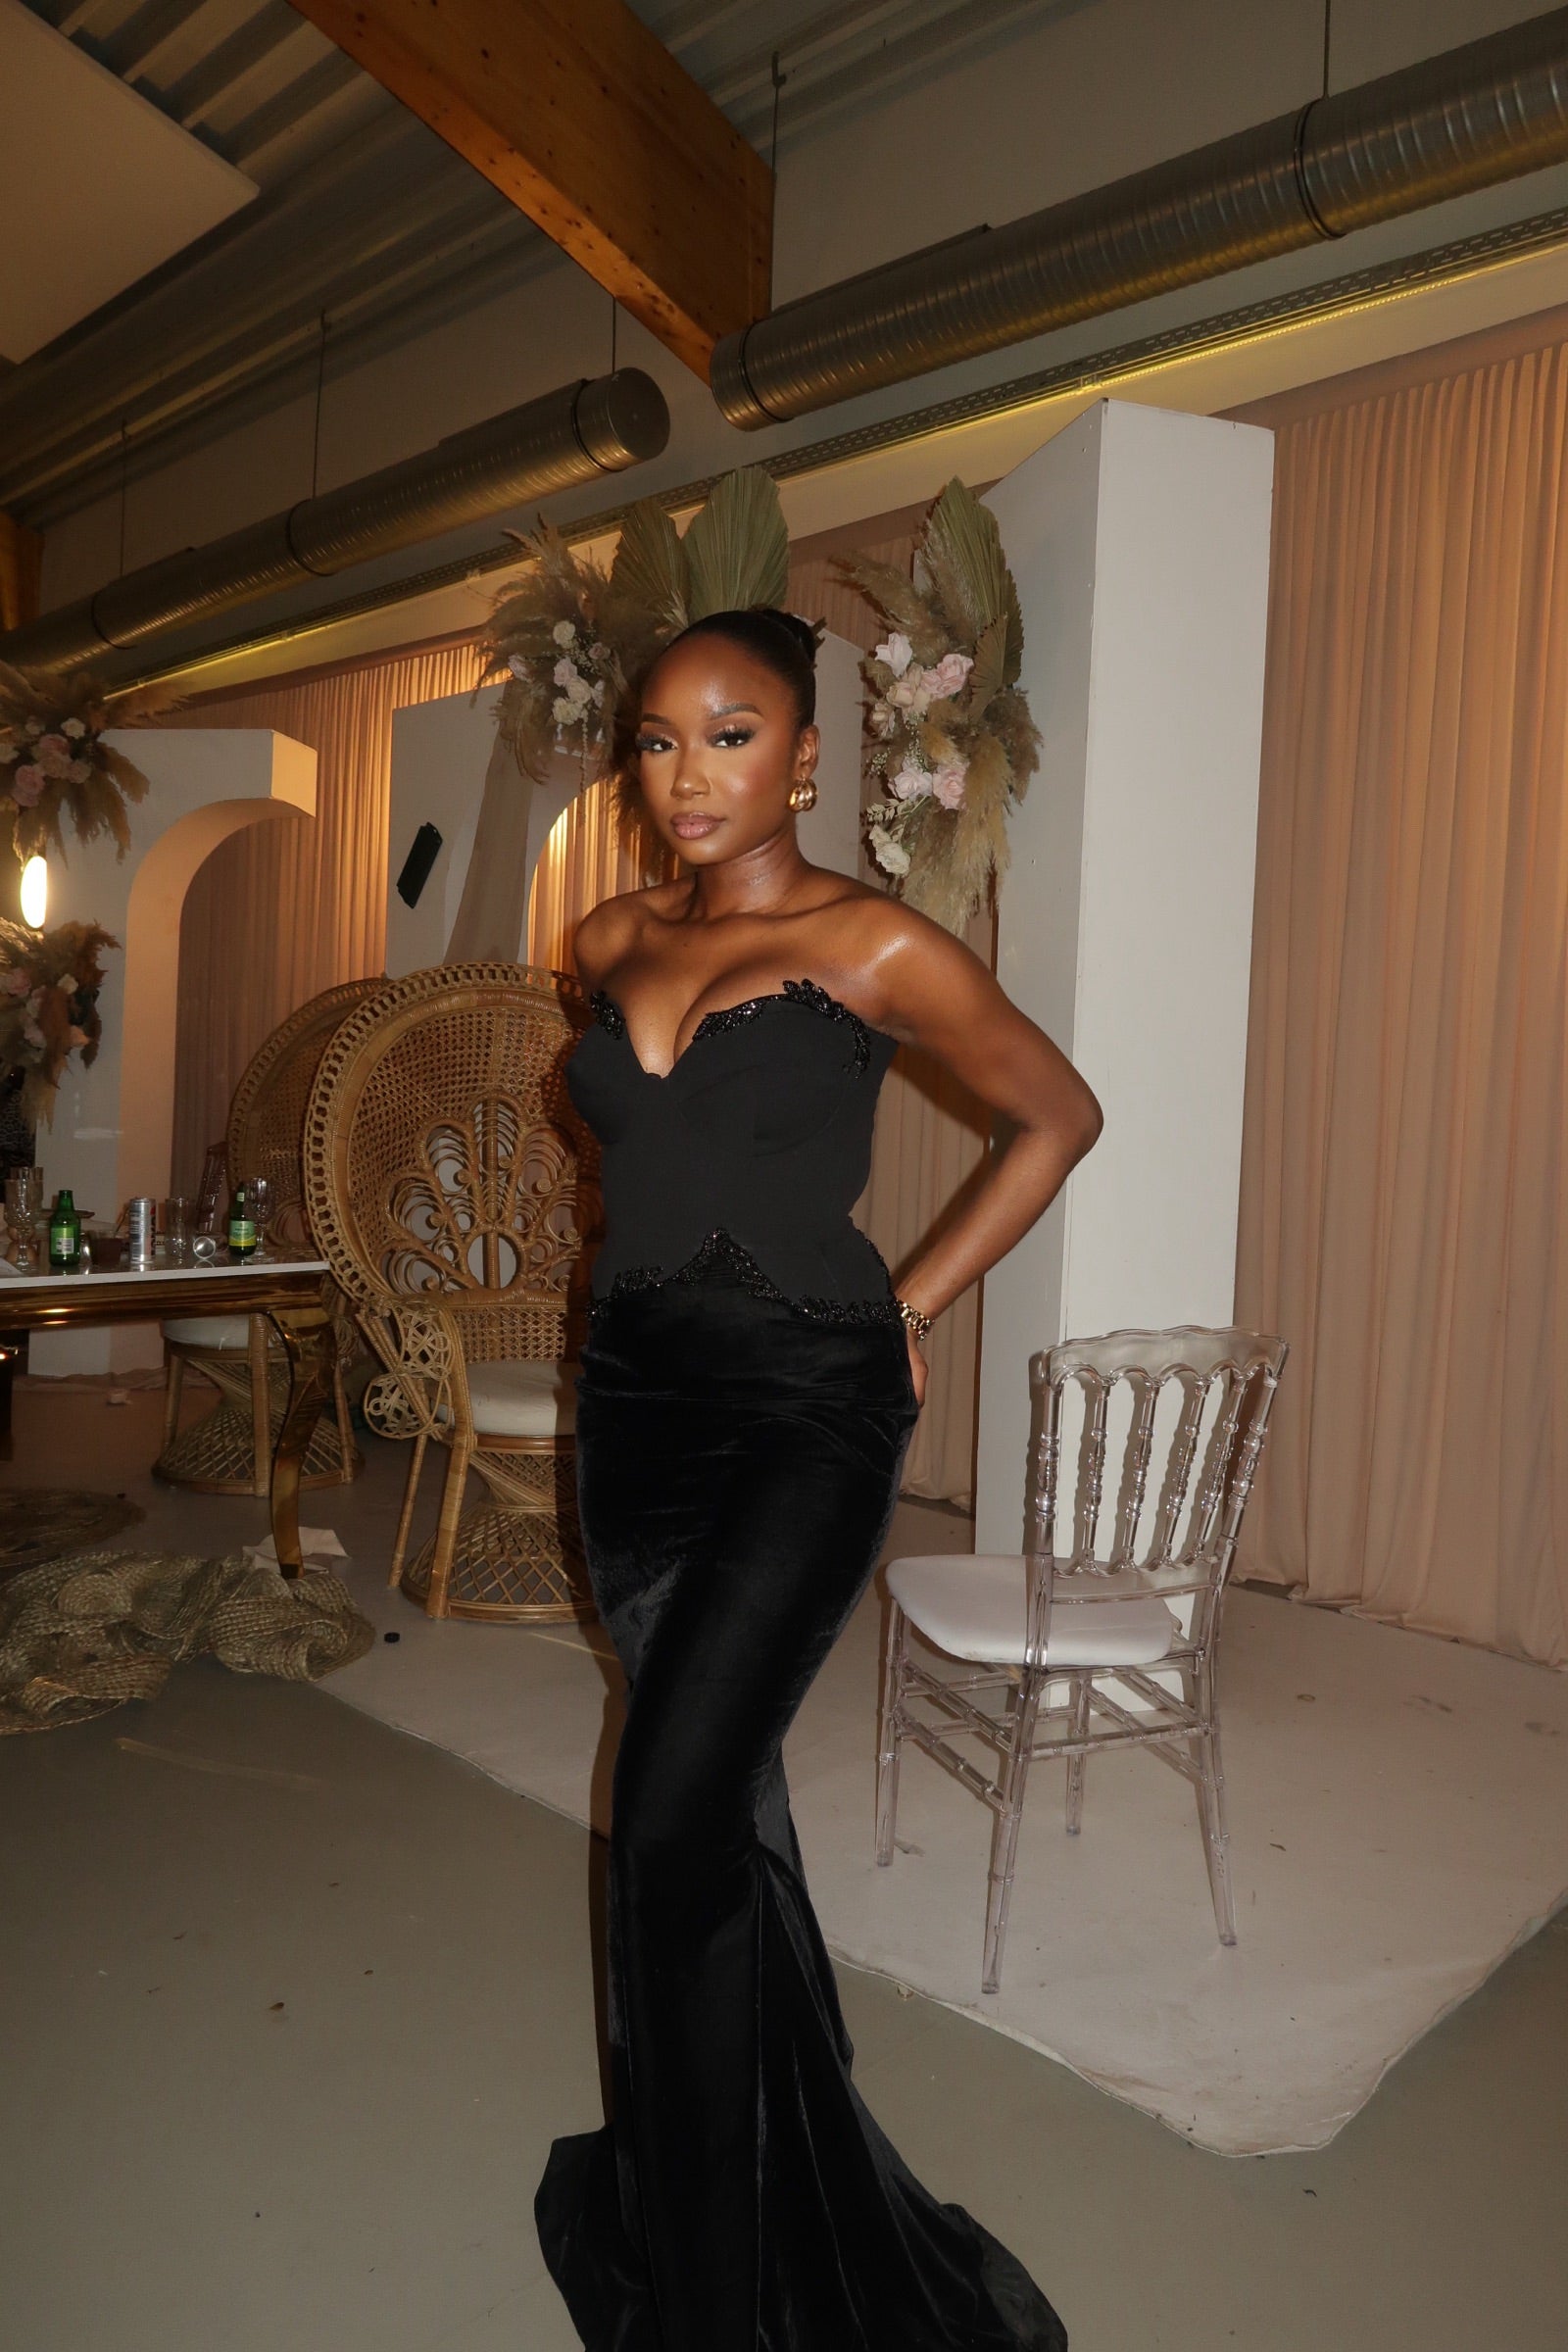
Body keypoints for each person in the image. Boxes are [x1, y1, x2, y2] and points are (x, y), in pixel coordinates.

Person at [536, 605, 1102, 2350]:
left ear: (802, 753)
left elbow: (1057, 1117)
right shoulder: (604, 935)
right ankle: (740, 2194)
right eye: (658, 739)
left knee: (672, 1816)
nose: (687, 772)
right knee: (707, 1815)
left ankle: (720, 2300)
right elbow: (647, 1151)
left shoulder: (874, 944)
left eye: (730, 734)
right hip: (633, 1406)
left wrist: (912, 1303)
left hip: (807, 1407)